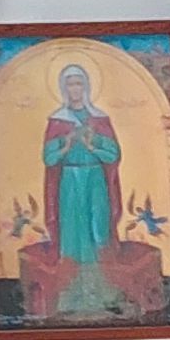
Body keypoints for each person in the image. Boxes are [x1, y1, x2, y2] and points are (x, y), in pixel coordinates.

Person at [39, 60, 124, 321]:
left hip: (95, 179)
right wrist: (63, 146)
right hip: (70, 182)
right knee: (74, 235)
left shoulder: (99, 118)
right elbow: (48, 158)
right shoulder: (57, 121)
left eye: (78, 83)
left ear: (86, 86)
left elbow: (113, 153)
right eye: (70, 84)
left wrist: (93, 143)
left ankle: (103, 295)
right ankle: (71, 297)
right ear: (63, 88)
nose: (74, 89)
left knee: (98, 231)